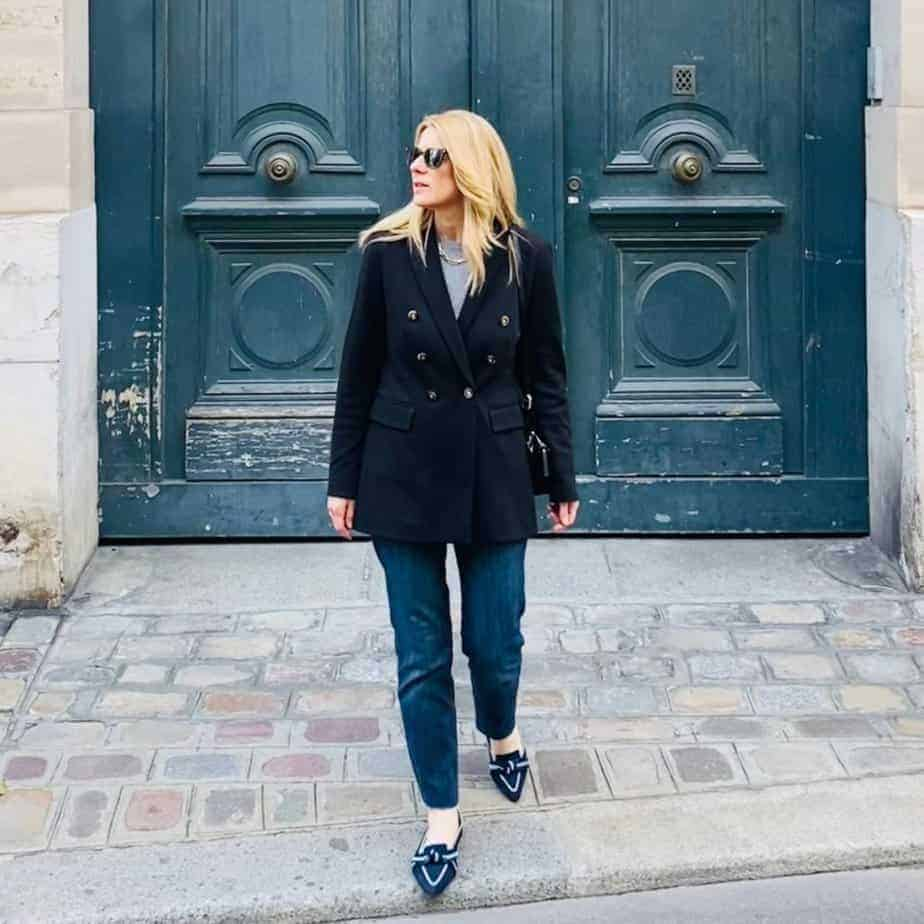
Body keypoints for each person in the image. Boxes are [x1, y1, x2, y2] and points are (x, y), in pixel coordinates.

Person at [326, 108, 580, 896]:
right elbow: (357, 372)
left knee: (495, 640)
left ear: (470, 166)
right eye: (414, 152)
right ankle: (441, 811)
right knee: (420, 653)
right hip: (401, 471)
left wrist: (561, 476)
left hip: (498, 467)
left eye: (435, 154)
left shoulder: (526, 258)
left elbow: (547, 376)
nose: (417, 164)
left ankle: (501, 731)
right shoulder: (385, 255)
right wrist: (343, 478)